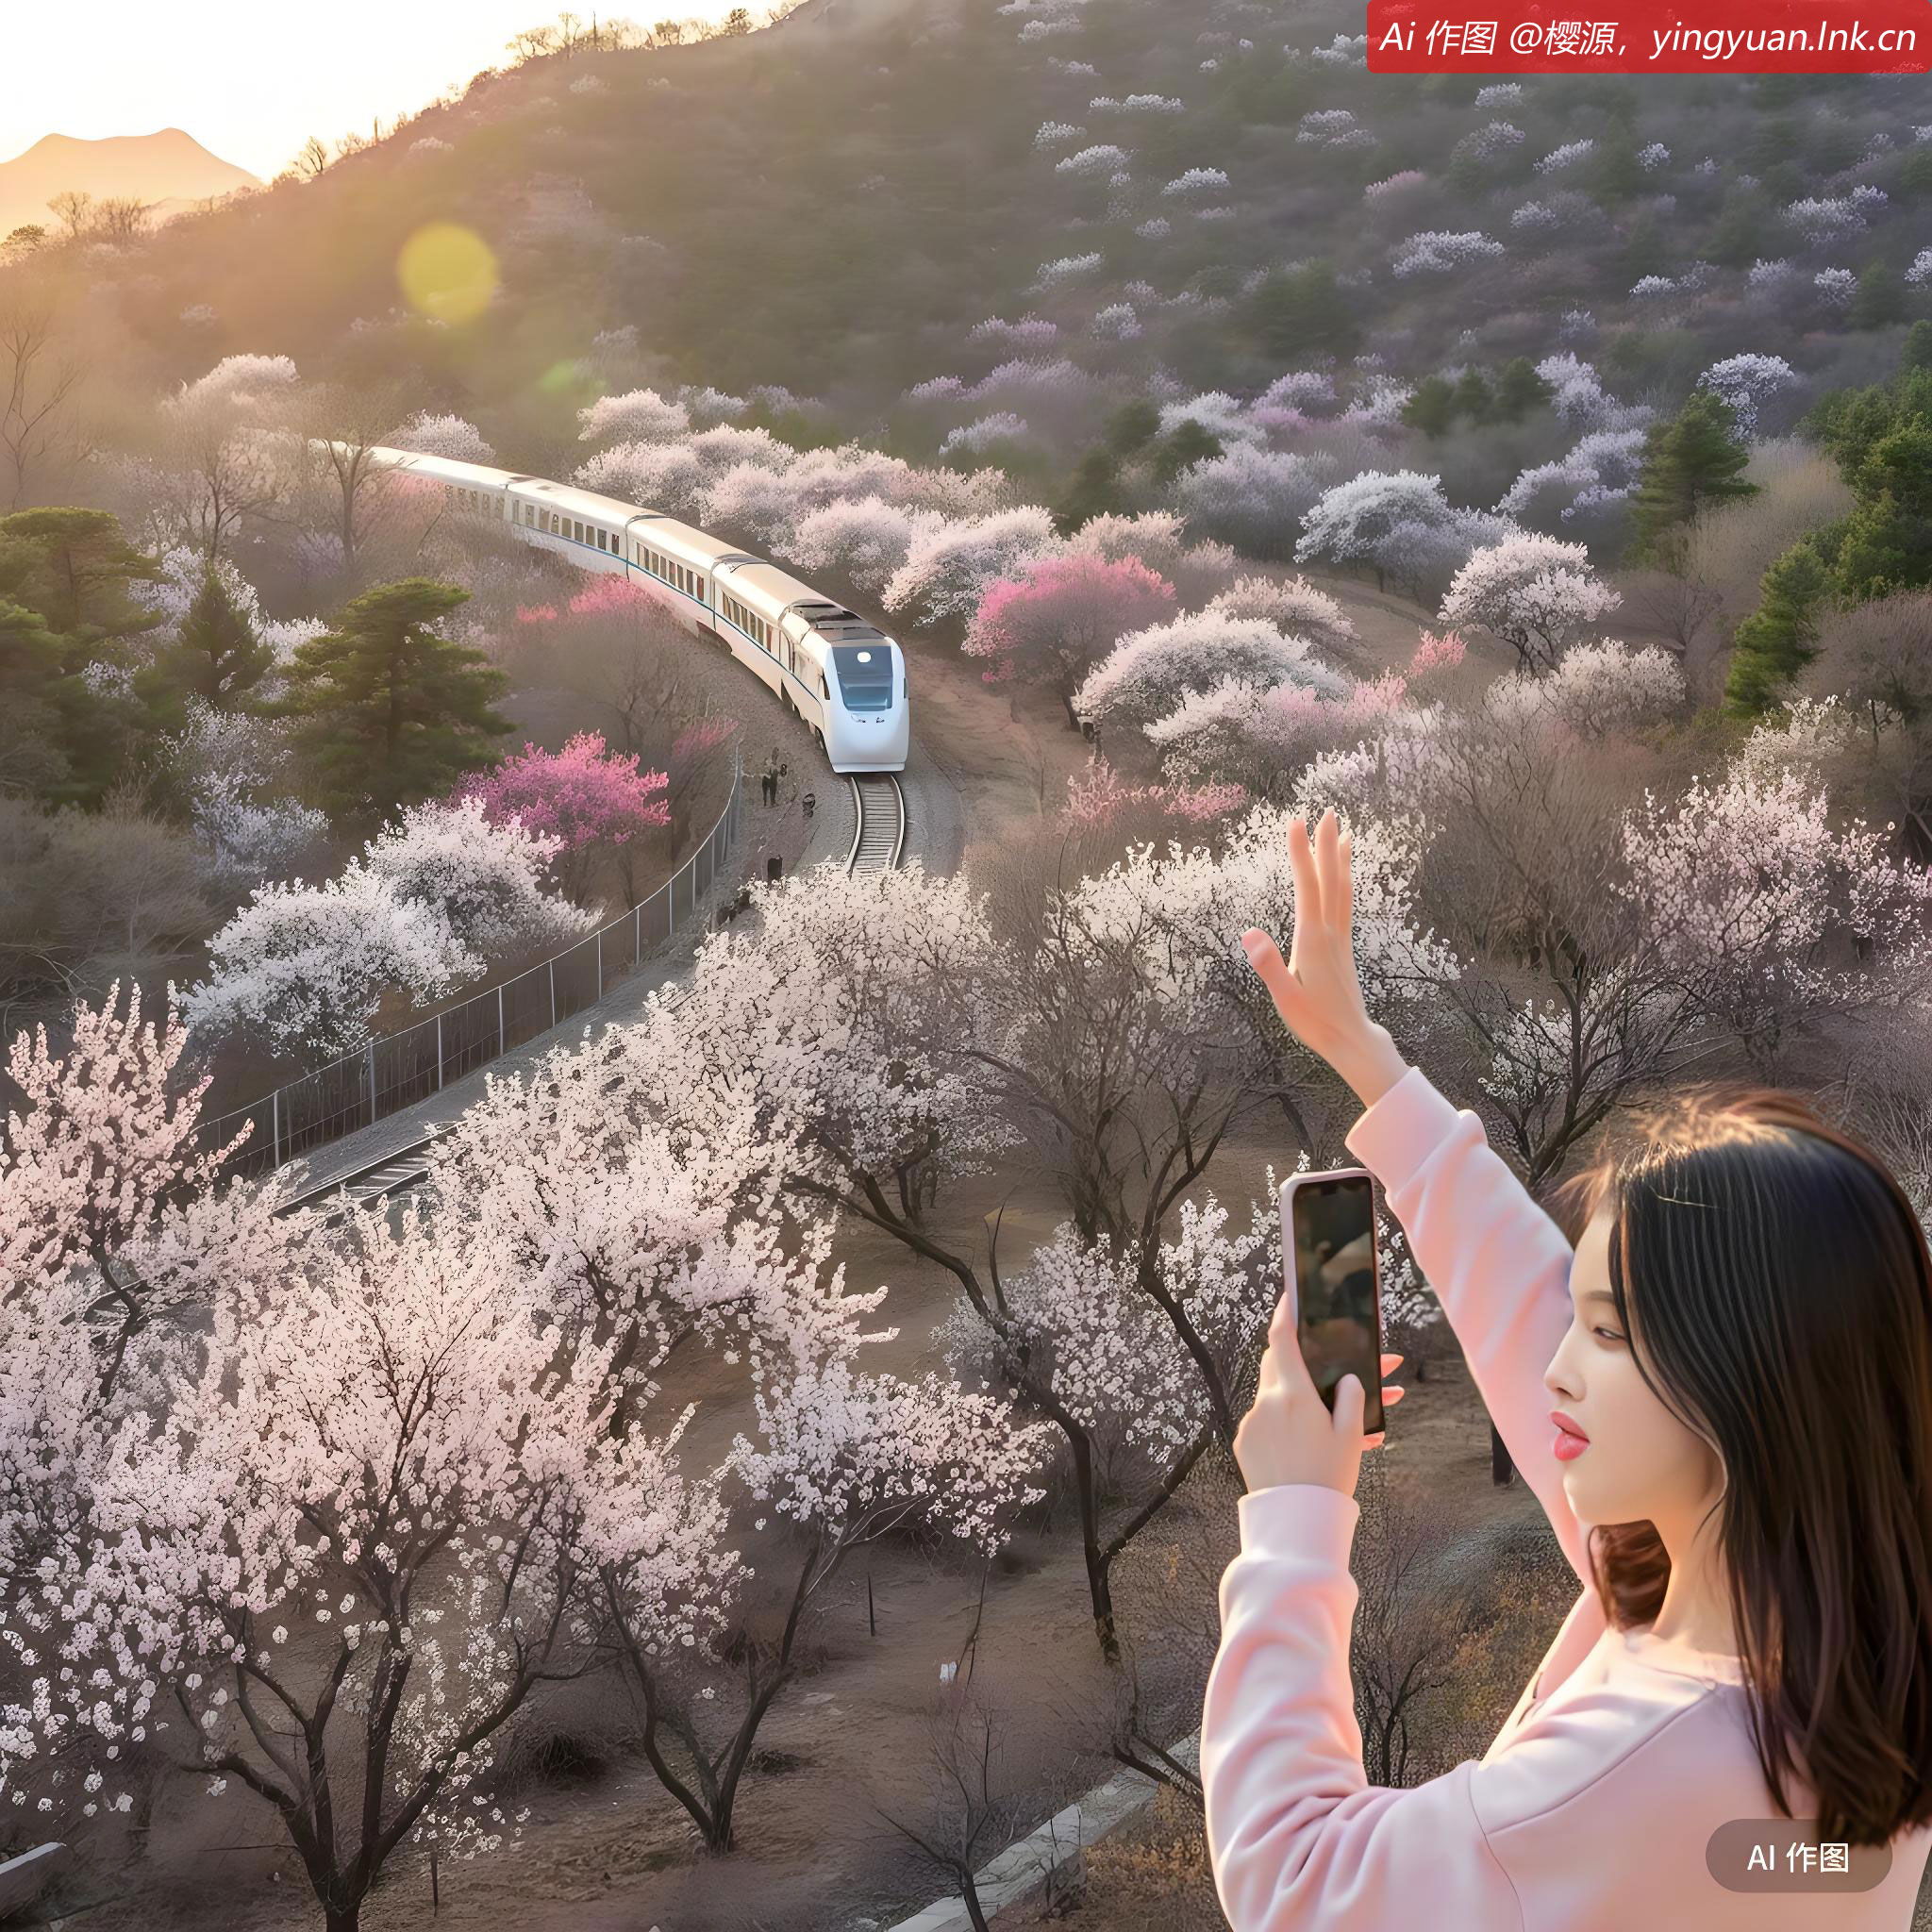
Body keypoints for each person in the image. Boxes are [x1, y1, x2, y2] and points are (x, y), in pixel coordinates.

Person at [1202, 806, 1932, 1928]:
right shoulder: (1842, 1653)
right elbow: (1531, 1302)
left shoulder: (1639, 1765)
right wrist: (1370, 1064)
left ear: (1742, 1380)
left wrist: (1293, 1516)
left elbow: (1291, 1880)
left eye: (1605, 1332)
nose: (1553, 1370)